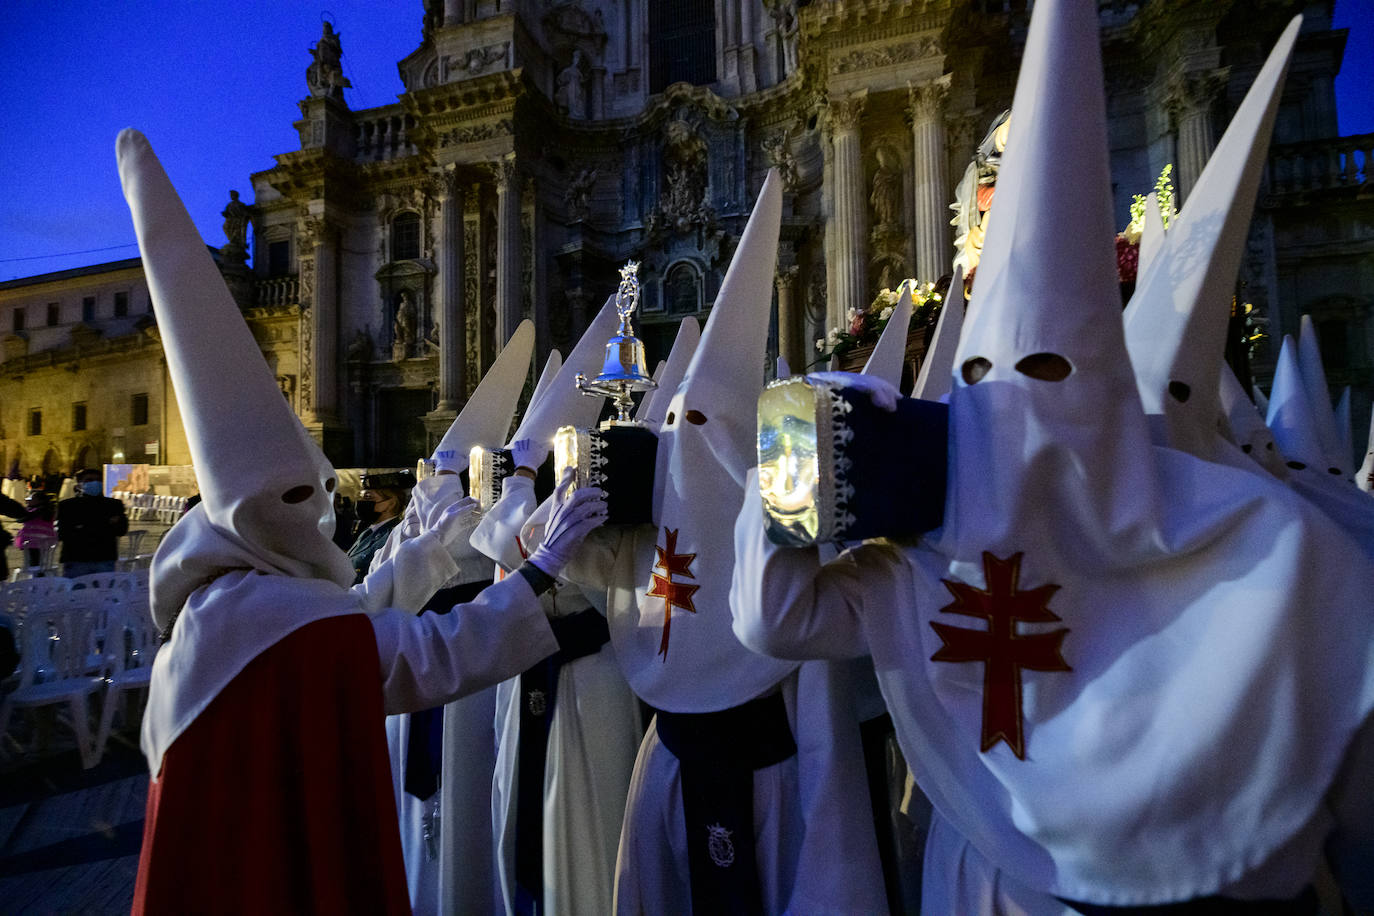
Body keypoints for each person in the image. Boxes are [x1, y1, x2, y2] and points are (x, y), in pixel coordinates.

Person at [730, 4, 1374, 911]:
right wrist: (798, 460)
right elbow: (773, 624)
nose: (1021, 413)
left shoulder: (1245, 535)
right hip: (978, 877)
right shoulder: (921, 555)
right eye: (988, 378)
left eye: (1048, 372)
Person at [116, 128, 609, 914]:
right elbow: (429, 655)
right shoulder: (282, 619)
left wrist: (436, 553)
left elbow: (363, 613)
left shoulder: (208, 616)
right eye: (299, 500)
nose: (318, 517)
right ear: (259, 512)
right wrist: (542, 570)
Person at [56, 469, 129, 577]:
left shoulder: (113, 505)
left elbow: (122, 530)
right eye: (89, 480)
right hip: (77, 558)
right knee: (78, 592)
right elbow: (63, 533)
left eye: (98, 480)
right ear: (80, 484)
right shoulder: (68, 506)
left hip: (104, 557)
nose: (94, 483)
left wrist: (82, 526)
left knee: (104, 591)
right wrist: (105, 525)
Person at [347, 471, 414, 583]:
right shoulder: (367, 532)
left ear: (391, 503)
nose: (361, 502)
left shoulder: (394, 535)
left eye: (368, 497)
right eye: (361, 497)